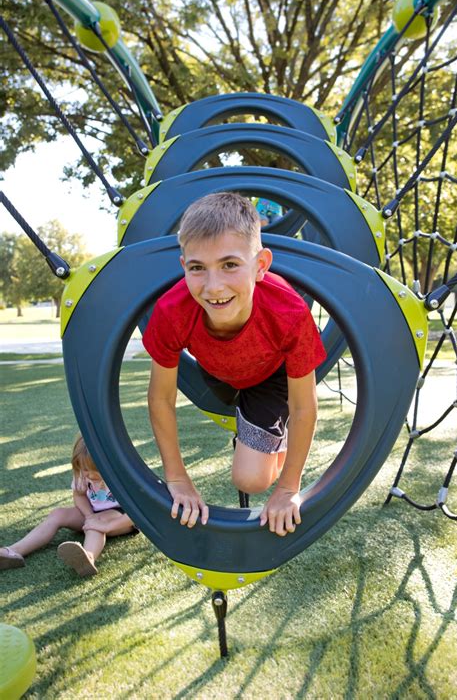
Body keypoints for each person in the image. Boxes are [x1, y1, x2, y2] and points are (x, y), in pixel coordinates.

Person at [143, 192, 326, 537]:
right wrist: (177, 478)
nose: (214, 287)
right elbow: (161, 398)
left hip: (270, 378)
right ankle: (251, 425)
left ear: (260, 265)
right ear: (184, 266)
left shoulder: (289, 312)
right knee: (226, 404)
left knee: (250, 479)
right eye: (198, 268)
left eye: (230, 265)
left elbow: (304, 406)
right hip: (216, 370)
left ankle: (273, 436)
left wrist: (288, 488)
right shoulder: (172, 310)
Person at [0, 434, 136, 576]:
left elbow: (138, 514)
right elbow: (79, 495)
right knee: (58, 514)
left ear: (108, 464)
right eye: (83, 469)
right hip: (93, 512)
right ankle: (14, 551)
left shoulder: (123, 478)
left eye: (93, 471)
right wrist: (88, 515)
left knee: (97, 522)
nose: (87, 475)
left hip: (122, 517)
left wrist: (107, 526)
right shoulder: (82, 472)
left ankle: (87, 558)